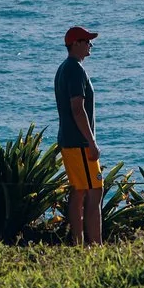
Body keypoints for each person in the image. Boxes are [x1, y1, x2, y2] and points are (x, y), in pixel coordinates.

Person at [56, 25, 103, 246]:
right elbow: (77, 107)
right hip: (80, 143)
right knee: (95, 192)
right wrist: (91, 142)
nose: (90, 45)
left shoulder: (64, 68)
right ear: (75, 44)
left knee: (79, 191)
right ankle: (95, 244)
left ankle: (78, 243)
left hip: (69, 140)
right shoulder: (75, 69)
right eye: (86, 41)